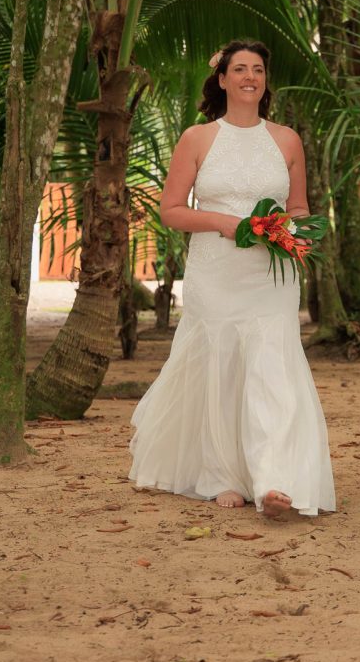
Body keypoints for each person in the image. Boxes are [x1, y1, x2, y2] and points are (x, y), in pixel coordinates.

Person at [127, 38, 337, 520]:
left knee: (272, 369)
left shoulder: (286, 140)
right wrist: (226, 223)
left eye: (258, 70)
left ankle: (274, 480)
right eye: (240, 69)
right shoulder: (198, 138)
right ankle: (222, 475)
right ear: (221, 79)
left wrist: (292, 234)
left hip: (271, 274)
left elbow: (298, 207)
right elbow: (171, 211)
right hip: (216, 270)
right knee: (220, 369)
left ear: (265, 81)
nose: (250, 77)